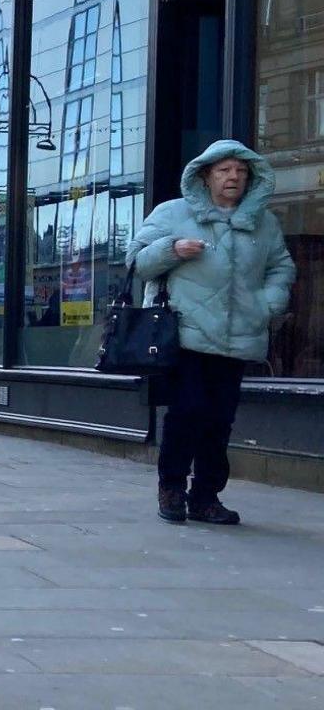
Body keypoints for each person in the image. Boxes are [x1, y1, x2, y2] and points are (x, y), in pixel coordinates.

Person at [130, 140, 293, 527]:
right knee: (186, 412)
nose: (233, 177)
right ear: (205, 176)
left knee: (220, 420)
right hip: (186, 334)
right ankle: (171, 487)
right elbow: (135, 260)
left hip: (238, 337)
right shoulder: (174, 213)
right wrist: (171, 249)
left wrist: (268, 303)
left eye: (240, 170)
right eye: (224, 170)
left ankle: (205, 496)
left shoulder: (264, 222)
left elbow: (281, 267)